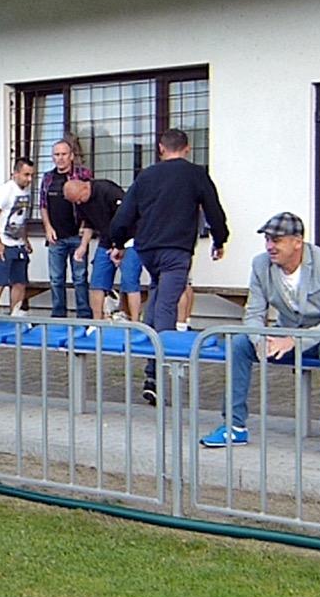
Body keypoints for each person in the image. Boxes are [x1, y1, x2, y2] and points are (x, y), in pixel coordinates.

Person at [199, 212, 320, 458]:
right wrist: (260, 340)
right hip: (286, 332)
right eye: (267, 239)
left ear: (297, 242)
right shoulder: (260, 264)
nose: (269, 246)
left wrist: (294, 340)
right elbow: (253, 314)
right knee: (240, 342)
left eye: (276, 240)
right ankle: (234, 426)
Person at [109, 128, 229, 404]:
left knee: (156, 297)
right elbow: (214, 210)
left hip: (147, 249)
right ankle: (157, 376)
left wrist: (117, 242)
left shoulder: (146, 175)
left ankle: (151, 369)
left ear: (161, 149)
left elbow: (125, 214)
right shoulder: (195, 174)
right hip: (176, 251)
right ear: (187, 149)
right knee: (166, 306)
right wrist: (219, 240)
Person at [63, 178, 143, 321]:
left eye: (79, 199)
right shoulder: (81, 202)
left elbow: (127, 217)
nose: (79, 203)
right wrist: (83, 246)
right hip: (107, 239)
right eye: (76, 202)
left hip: (129, 238)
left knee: (129, 280)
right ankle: (97, 321)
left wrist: (119, 246)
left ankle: (135, 321)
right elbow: (89, 224)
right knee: (97, 281)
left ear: (85, 188)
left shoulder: (107, 190)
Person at [40, 139, 92, 318]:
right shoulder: (48, 178)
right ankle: (58, 316)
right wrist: (47, 228)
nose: (60, 158)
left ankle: (84, 316)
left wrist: (85, 227)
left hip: (78, 236)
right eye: (57, 154)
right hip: (56, 237)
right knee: (56, 279)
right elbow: (43, 205)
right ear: (52, 157)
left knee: (80, 278)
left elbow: (90, 203)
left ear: (71, 156)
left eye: (64, 154)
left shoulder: (83, 174)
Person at [0, 158, 34, 316]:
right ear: (16, 173)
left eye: (31, 175)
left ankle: (15, 314)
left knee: (20, 281)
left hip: (18, 241)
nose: (29, 179)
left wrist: (25, 239)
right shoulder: (5, 191)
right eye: (26, 175)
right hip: (2, 240)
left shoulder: (26, 191)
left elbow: (21, 218)